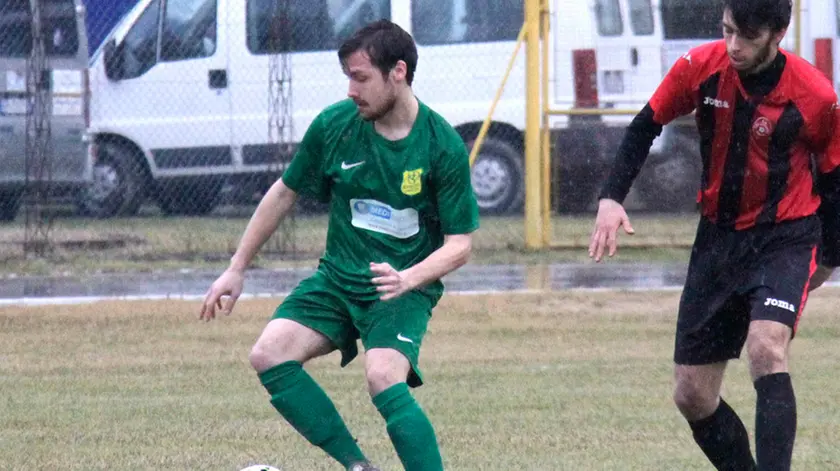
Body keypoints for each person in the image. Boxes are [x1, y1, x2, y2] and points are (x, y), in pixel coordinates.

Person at [199, 20, 479, 471]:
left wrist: (409, 278)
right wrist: (237, 266)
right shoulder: (334, 126)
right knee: (269, 355)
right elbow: (283, 192)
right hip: (337, 279)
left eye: (361, 77)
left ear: (399, 72)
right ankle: (357, 465)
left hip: (399, 290)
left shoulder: (440, 145)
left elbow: (460, 245)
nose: (351, 89)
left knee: (384, 377)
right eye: (348, 76)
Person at [588, 1, 840, 469]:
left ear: (778, 33)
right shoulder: (701, 68)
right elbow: (647, 124)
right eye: (726, 31)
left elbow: (834, 177)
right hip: (718, 242)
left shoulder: (815, 96)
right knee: (692, 395)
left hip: (785, 236)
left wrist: (830, 254)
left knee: (766, 346)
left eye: (745, 36)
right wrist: (611, 197)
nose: (733, 45)